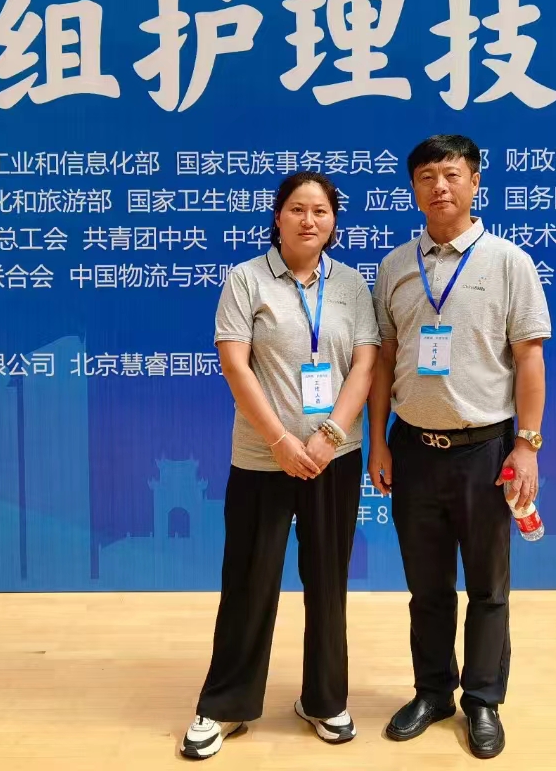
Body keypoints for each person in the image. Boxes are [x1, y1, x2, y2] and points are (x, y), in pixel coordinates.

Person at [181, 170, 380, 760]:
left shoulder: (351, 285)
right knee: (249, 581)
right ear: (277, 217)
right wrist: (280, 442)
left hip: (333, 458)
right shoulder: (246, 279)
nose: (309, 220)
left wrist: (329, 435)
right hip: (262, 458)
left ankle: (324, 699)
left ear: (334, 221)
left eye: (320, 210)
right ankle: (226, 705)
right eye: (297, 209)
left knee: (328, 582)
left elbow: (365, 364)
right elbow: (235, 364)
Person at [368, 134, 550, 760]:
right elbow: (385, 359)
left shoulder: (508, 262)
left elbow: (529, 359)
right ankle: (433, 691)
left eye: (451, 174)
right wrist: (378, 444)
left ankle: (483, 700)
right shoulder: (396, 266)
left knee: (488, 587)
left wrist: (527, 446)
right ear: (413, 189)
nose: (439, 186)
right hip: (413, 449)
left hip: (486, 452)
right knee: (427, 587)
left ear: (475, 182)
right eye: (426, 176)